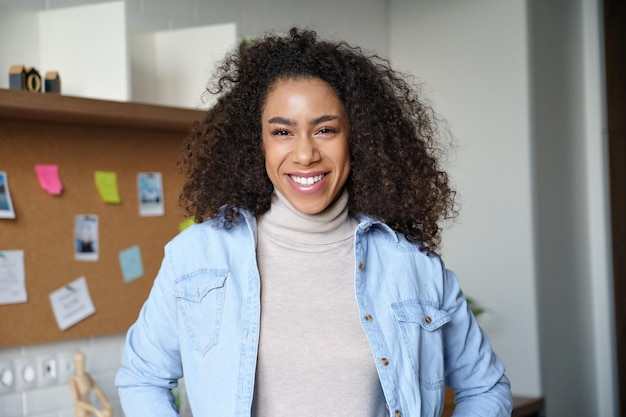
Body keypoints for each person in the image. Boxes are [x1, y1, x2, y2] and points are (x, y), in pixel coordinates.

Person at [115, 27, 513, 417]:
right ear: (259, 144)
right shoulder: (196, 256)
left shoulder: (415, 268)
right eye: (283, 132)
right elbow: (141, 378)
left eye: (325, 129)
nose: (305, 154)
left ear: (356, 138)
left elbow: (485, 387)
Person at [70, 352, 113, 417]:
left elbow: (99, 392)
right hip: (81, 412)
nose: (80, 364)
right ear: (74, 363)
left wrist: (108, 405)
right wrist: (95, 410)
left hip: (89, 408)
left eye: (82, 361)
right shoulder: (74, 380)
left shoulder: (87, 376)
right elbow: (77, 402)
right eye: (78, 362)